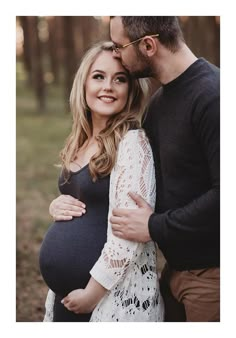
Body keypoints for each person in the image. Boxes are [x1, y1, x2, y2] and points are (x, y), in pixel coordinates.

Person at [50, 17, 220, 322]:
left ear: (148, 45)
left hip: (213, 276)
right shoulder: (160, 103)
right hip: (175, 273)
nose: (118, 55)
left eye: (119, 46)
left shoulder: (214, 96)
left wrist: (155, 226)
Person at [39, 41, 164, 322]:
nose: (108, 86)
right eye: (99, 76)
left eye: (120, 79)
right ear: (83, 84)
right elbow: (85, 202)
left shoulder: (132, 143)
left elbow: (128, 233)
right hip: (67, 298)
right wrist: (56, 206)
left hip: (107, 300)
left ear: (131, 90)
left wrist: (92, 294)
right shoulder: (80, 141)